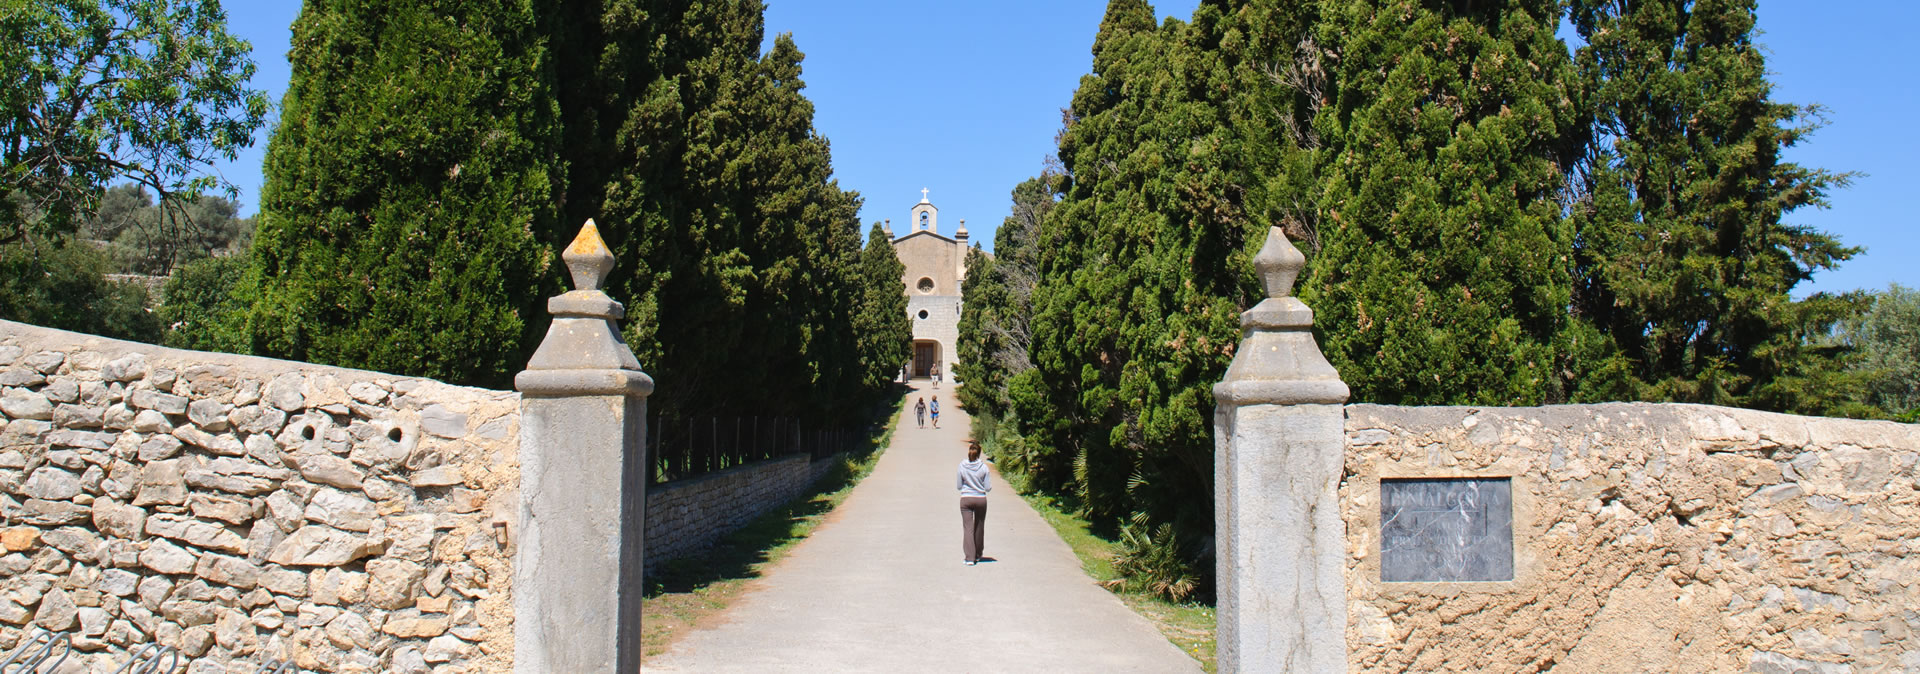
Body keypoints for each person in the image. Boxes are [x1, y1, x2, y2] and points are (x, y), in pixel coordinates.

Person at [957, 440, 990, 565]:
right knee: (979, 526)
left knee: (968, 528)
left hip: (966, 499)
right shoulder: (984, 467)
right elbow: (987, 487)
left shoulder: (962, 466)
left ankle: (969, 557)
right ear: (979, 454)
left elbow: (959, 486)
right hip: (981, 498)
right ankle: (978, 553)